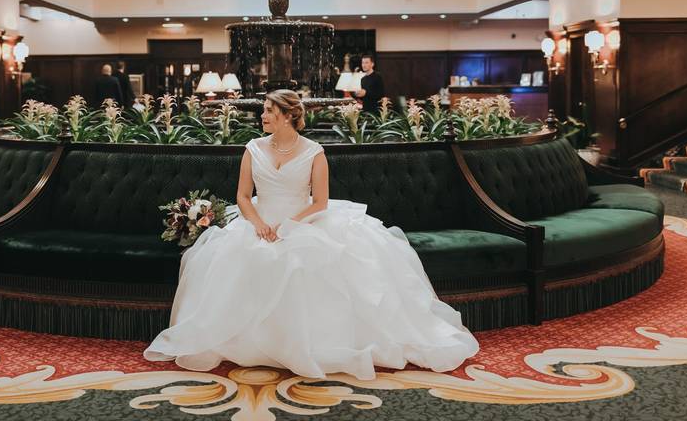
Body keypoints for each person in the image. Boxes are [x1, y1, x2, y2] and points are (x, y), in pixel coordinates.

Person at [144, 89, 479, 380]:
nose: (263, 116)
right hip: (258, 220)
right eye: (263, 111)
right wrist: (258, 223)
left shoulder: (314, 152)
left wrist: (290, 224)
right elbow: (243, 197)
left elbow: (320, 202)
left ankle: (311, 342)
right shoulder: (253, 148)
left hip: (305, 220)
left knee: (304, 262)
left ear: (290, 116)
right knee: (237, 259)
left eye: (269, 112)